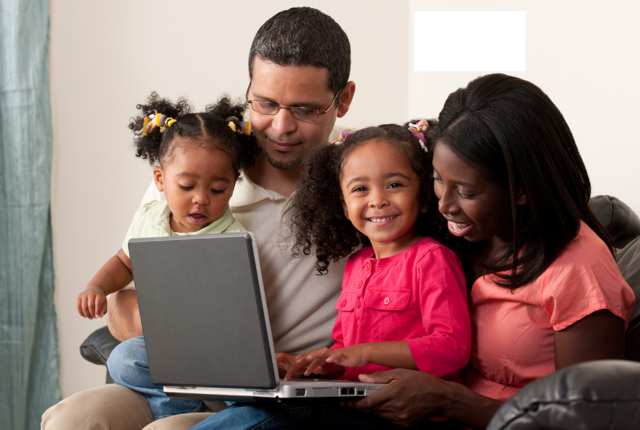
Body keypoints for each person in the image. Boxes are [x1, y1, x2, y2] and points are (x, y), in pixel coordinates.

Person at [41, 6, 355, 430]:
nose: (281, 126)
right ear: (248, 89)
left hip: (282, 398)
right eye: (265, 103)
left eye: (304, 109)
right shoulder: (194, 171)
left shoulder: (362, 188)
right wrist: (193, 325)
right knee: (72, 419)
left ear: (344, 99)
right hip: (174, 383)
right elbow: (118, 308)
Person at [344, 74, 636, 429]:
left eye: (465, 191)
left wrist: (449, 401)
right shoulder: (461, 238)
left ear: (522, 189)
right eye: (437, 179)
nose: (444, 204)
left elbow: (584, 421)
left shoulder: (581, 269)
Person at [186, 123, 472, 429]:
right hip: (353, 407)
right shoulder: (357, 264)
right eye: (360, 189)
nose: (377, 200)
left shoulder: (431, 259)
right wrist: (311, 364)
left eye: (394, 185)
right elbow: (343, 350)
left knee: (263, 418)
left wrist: (363, 354)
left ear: (425, 195)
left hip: (408, 415)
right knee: (253, 409)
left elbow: (452, 348)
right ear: (345, 207)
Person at [75, 93, 252, 321]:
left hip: (203, 336)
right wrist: (96, 287)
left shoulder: (234, 241)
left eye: (217, 189)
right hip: (151, 333)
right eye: (187, 186)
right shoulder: (149, 218)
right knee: (124, 355)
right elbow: (124, 262)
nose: (201, 199)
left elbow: (239, 306)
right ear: (160, 179)